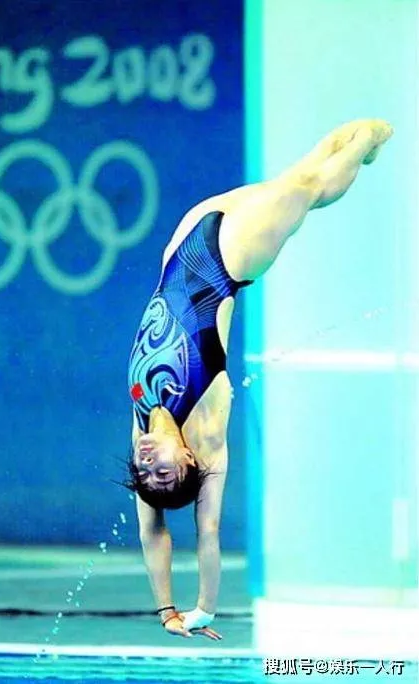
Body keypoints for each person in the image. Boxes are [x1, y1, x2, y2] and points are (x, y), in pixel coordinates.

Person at [125, 119, 393, 640]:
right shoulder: (207, 436)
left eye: (144, 472)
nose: (148, 463)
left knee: (298, 177)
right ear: (189, 462)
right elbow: (206, 532)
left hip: (181, 248)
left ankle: (351, 146)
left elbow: (150, 530)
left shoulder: (141, 426)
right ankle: (369, 140)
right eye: (163, 472)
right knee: (308, 189)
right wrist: (202, 609)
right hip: (229, 259)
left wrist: (164, 610)